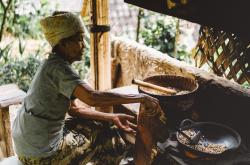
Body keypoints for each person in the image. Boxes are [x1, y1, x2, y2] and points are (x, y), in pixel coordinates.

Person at [12, 11, 160, 165]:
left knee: (102, 124)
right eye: (79, 40)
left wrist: (112, 117)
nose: (83, 45)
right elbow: (92, 97)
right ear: (62, 43)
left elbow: (74, 110)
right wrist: (140, 97)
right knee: (110, 139)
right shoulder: (59, 69)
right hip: (41, 155)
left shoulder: (51, 64)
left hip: (27, 145)